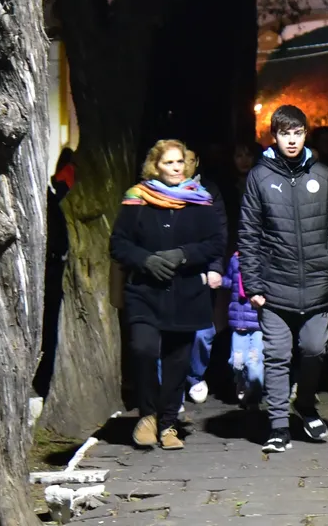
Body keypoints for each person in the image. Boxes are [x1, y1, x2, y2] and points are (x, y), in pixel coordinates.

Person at [238, 105, 328, 453]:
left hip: (316, 283)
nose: (292, 139)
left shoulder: (323, 174)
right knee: (277, 355)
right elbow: (249, 234)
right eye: (286, 133)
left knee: (314, 349)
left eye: (298, 132)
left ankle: (307, 403)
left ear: (305, 134)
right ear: (275, 136)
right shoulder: (259, 177)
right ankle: (279, 425)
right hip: (274, 286)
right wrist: (253, 285)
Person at [110, 139, 226, 450]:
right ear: (155, 166)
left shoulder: (199, 201)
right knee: (144, 349)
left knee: (177, 361)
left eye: (179, 162)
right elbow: (118, 244)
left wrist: (183, 255)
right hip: (145, 290)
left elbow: (216, 243)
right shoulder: (137, 199)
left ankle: (168, 423)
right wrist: (145, 260)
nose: (175, 168)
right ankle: (147, 414)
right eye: (168, 163)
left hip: (186, 292)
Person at [222, 251, 263, 407]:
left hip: (257, 322)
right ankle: (241, 383)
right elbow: (230, 280)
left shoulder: (265, 256)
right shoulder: (235, 258)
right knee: (237, 361)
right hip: (238, 319)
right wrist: (220, 281)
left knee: (254, 361)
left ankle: (255, 397)